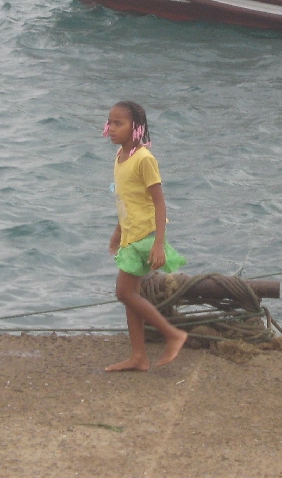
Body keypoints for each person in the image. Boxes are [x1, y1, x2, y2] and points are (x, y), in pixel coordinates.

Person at [102, 101, 188, 371]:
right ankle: (139, 356)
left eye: (120, 124)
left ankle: (173, 334)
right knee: (131, 296)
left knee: (124, 292)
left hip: (145, 236)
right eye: (111, 123)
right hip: (130, 236)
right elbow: (125, 199)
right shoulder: (119, 157)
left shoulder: (144, 159)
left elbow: (159, 203)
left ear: (136, 128)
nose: (112, 128)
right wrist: (118, 232)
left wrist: (159, 243)